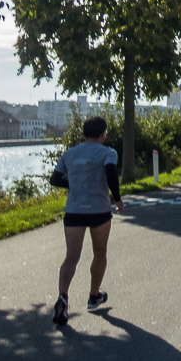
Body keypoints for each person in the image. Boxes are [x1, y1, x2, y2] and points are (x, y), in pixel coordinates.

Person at [49, 116, 124, 326]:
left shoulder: (70, 153)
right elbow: (110, 172)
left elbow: (55, 179)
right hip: (99, 210)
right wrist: (117, 199)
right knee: (99, 252)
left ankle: (63, 297)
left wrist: (75, 185)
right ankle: (93, 296)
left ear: (83, 134)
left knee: (71, 257)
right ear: (103, 134)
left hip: (74, 211)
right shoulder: (108, 152)